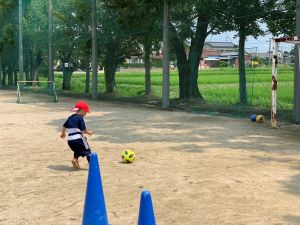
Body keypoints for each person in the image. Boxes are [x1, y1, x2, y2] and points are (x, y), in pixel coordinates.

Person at [60, 101, 93, 169]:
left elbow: (64, 126)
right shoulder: (80, 118)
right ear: (83, 111)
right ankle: (92, 166)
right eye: (86, 112)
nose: (86, 113)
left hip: (70, 140)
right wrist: (89, 133)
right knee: (88, 151)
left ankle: (75, 159)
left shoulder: (70, 117)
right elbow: (83, 130)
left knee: (77, 150)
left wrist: (63, 134)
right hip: (78, 138)